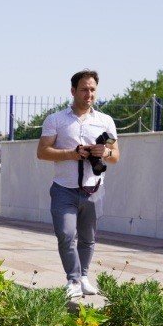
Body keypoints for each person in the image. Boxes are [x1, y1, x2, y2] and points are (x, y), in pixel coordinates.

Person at [37, 70, 119, 299]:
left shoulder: (105, 121)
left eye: (92, 89)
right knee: (65, 233)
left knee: (88, 238)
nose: (89, 94)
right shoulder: (56, 120)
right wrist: (72, 154)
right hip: (64, 189)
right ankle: (72, 280)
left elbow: (115, 157)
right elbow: (42, 152)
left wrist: (105, 150)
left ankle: (83, 277)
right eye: (84, 89)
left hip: (94, 189)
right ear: (73, 91)